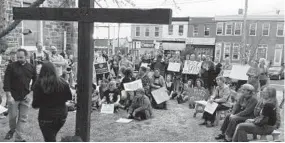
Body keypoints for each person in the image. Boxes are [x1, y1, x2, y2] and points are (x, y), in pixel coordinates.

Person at [32, 62, 72, 142]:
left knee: (49, 139)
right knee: (51, 137)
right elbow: (69, 97)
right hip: (61, 116)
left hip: (46, 117)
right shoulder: (63, 82)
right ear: (54, 70)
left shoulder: (38, 84)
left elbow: (35, 105)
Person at [3, 49, 37, 142]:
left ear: (26, 56)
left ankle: (19, 138)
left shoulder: (31, 67)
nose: (19, 59)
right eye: (17, 57)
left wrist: (31, 93)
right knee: (13, 117)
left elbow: (36, 81)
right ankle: (12, 130)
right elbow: (6, 82)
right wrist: (9, 96)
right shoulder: (11, 66)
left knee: (23, 118)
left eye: (21, 57)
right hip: (13, 97)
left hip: (26, 96)